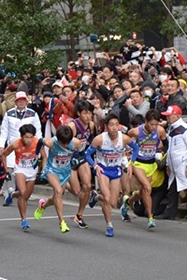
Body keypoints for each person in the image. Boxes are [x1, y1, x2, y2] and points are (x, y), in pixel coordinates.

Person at [85, 113, 140, 237]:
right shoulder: (99, 139)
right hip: (102, 169)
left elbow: (136, 148)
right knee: (107, 198)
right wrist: (95, 165)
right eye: (111, 125)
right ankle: (109, 226)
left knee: (113, 202)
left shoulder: (124, 138)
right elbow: (87, 154)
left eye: (116, 125)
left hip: (115, 170)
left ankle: (96, 196)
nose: (114, 128)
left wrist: (131, 163)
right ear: (106, 126)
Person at [34, 125, 83, 233]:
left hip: (65, 171)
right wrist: (37, 156)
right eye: (63, 143)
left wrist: (76, 159)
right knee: (58, 191)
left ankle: (43, 205)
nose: (65, 145)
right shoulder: (51, 142)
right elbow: (40, 141)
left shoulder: (76, 142)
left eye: (67, 142)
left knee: (67, 193)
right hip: (52, 170)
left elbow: (81, 153)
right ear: (58, 140)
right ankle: (62, 222)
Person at [126, 109, 167, 228]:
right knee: (148, 188)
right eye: (151, 124)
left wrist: (161, 151)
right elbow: (124, 142)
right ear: (146, 122)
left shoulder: (160, 130)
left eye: (156, 124)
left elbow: (166, 143)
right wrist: (127, 156)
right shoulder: (136, 132)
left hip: (151, 164)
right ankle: (150, 217)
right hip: (138, 163)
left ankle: (128, 201)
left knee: (144, 191)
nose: (154, 127)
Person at [1, 124, 45, 230]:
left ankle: (12, 194)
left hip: (32, 170)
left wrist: (43, 171)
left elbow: (44, 157)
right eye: (26, 137)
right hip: (20, 169)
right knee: (23, 192)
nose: (29, 140)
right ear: (21, 136)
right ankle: (24, 220)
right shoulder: (16, 144)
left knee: (26, 196)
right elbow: (3, 154)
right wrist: (6, 171)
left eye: (31, 137)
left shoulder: (37, 143)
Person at [67, 101, 98, 229]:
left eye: (90, 113)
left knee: (87, 185)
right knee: (76, 191)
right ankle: (63, 182)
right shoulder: (72, 126)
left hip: (81, 156)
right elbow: (63, 143)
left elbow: (93, 142)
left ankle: (79, 215)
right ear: (79, 113)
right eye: (85, 113)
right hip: (69, 158)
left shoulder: (91, 125)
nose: (88, 116)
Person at [0, 91, 42, 169]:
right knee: (12, 169)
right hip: (13, 146)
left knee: (29, 170)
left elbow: (38, 131)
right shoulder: (8, 114)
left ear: (26, 101)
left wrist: (39, 146)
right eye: (19, 100)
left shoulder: (33, 114)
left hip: (29, 147)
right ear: (15, 102)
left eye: (23, 100)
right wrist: (1, 145)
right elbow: (4, 130)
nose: (21, 102)